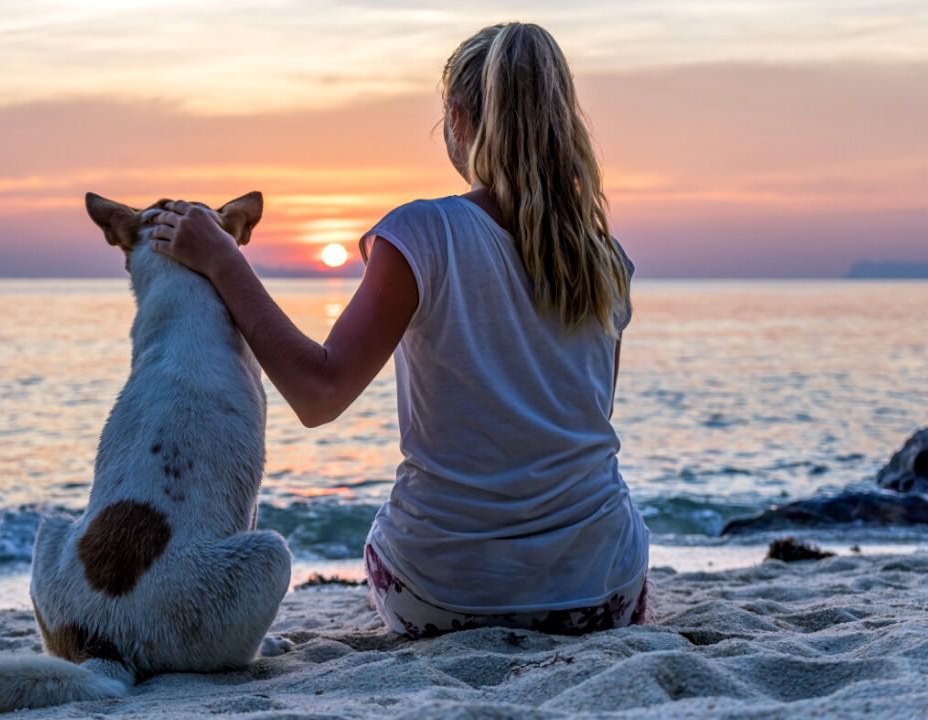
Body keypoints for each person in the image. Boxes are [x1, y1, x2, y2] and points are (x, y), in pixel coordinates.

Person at [147, 22, 649, 639]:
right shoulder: (605, 260)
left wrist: (224, 260)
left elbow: (319, 393)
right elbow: (577, 429)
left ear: (459, 119)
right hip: (603, 591)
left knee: (395, 546)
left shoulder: (423, 234)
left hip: (444, 593)